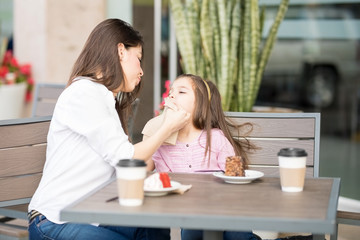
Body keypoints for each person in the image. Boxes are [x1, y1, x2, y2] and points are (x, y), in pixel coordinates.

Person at [28, 18, 189, 240]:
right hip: (54, 220)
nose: (141, 71)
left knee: (154, 227)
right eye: (138, 59)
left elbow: (125, 169)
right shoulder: (84, 93)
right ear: (121, 51)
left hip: (92, 217)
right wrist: (168, 125)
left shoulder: (103, 97)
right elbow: (126, 158)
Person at [145, 74, 260, 240]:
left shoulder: (217, 137)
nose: (172, 95)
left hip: (228, 209)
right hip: (192, 214)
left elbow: (237, 179)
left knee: (238, 235)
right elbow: (168, 185)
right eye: (171, 92)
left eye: (181, 92)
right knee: (193, 233)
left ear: (199, 102)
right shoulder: (162, 145)